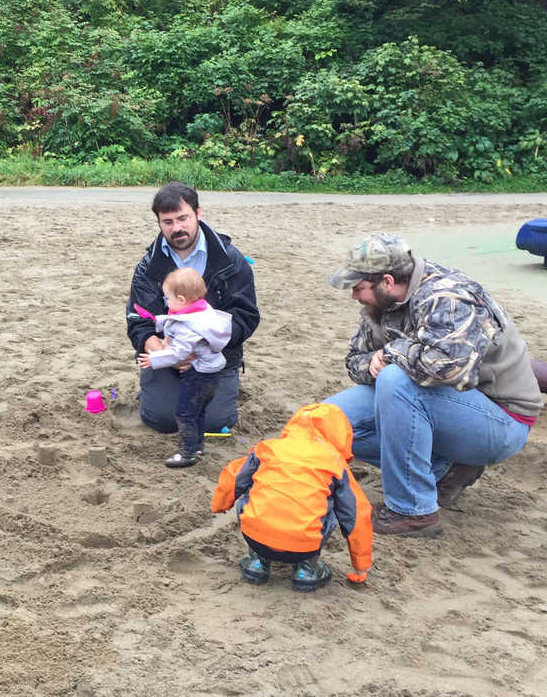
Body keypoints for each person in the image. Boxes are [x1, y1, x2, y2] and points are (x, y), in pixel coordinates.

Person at [325, 233, 542, 537]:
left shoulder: (448, 297)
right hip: (443, 405)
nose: (354, 296)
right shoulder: (382, 303)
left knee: (395, 379)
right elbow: (354, 360)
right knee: (324, 422)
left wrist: (389, 355)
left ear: (387, 281)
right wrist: (372, 361)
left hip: (501, 418)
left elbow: (448, 369)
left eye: (358, 288)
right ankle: (439, 466)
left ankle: (413, 512)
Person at [126, 182, 260, 436]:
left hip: (214, 356)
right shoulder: (148, 266)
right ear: (158, 222)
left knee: (216, 424)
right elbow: (138, 320)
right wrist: (158, 347)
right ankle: (157, 390)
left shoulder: (230, 259)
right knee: (161, 420)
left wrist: (202, 347)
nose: (176, 228)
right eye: (167, 222)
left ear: (198, 213)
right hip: (168, 355)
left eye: (182, 218)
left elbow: (246, 316)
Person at [210, 403, 373, 591]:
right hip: (305, 545)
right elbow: (356, 514)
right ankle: (307, 569)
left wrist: (219, 504)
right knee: (328, 506)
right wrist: (360, 567)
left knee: (256, 492)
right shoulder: (335, 464)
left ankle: (257, 562)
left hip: (255, 536)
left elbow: (235, 478)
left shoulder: (268, 448)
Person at [136, 268, 232, 468]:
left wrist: (154, 359)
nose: (166, 302)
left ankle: (187, 453)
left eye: (168, 298)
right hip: (212, 374)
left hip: (198, 376)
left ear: (181, 299)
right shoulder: (202, 311)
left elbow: (178, 354)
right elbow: (174, 323)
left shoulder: (189, 326)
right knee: (199, 411)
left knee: (185, 413)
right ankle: (198, 446)